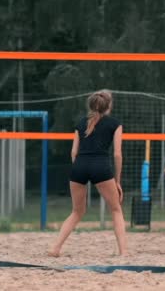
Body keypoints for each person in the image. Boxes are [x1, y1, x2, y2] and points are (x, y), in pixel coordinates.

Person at [49, 90, 127, 257]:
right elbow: (117, 154)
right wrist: (117, 181)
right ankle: (123, 252)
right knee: (115, 209)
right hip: (101, 166)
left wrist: (79, 170)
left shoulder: (80, 123)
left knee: (77, 212)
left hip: (79, 166)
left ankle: (55, 248)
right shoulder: (115, 124)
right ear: (109, 106)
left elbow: (73, 153)